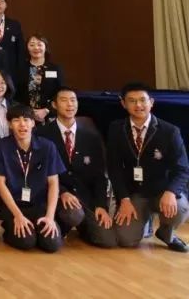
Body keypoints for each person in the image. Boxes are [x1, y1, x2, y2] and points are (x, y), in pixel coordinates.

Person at [108, 82, 189, 251]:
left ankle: (166, 233)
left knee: (179, 208)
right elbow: (114, 168)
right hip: (135, 193)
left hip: (162, 192)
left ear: (151, 102)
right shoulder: (116, 129)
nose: (138, 105)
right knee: (125, 240)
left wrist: (171, 192)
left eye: (142, 100)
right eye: (132, 101)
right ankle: (146, 222)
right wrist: (124, 200)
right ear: (123, 104)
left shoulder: (170, 131)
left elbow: (182, 169)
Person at [37, 88, 117, 248]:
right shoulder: (42, 134)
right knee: (72, 215)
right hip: (55, 197)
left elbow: (100, 176)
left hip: (85, 199)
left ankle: (81, 226)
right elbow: (39, 172)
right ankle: (61, 224)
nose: (70, 104)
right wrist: (62, 192)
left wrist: (101, 206)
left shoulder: (91, 137)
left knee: (108, 240)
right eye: (64, 100)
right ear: (54, 105)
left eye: (73, 100)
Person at [0, 104, 65, 252]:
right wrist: (18, 216)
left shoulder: (47, 147)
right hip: (12, 205)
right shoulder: (0, 147)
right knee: (27, 242)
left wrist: (50, 217)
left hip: (38, 204)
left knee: (52, 245)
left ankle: (40, 228)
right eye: (16, 120)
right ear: (10, 124)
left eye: (26, 119)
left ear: (33, 123)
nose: (22, 124)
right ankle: (10, 228)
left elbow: (53, 183)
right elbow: (0, 184)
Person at [14, 35, 64, 121]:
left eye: (39, 44)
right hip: (26, 116)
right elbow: (16, 94)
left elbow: (60, 92)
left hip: (50, 115)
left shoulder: (54, 68)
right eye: (32, 45)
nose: (36, 48)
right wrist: (28, 112)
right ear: (27, 48)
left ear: (45, 47)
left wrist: (47, 110)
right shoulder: (20, 69)